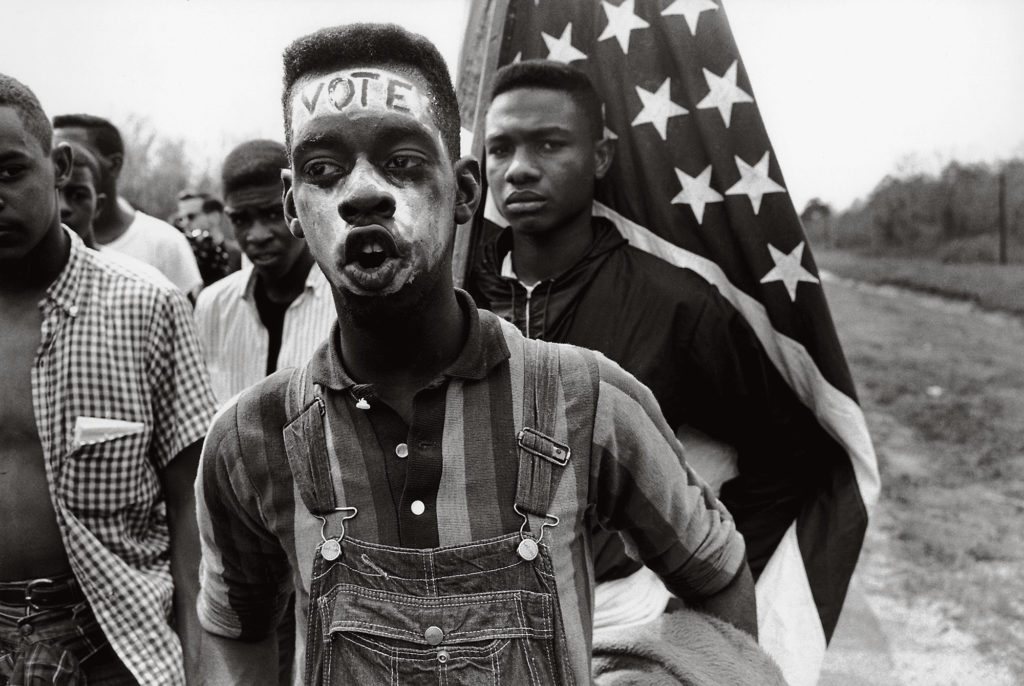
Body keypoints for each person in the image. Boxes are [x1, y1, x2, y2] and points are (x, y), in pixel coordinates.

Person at [195, 23, 756, 686]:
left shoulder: (589, 399)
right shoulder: (249, 438)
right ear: (294, 204)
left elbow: (717, 577)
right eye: (325, 171)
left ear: (464, 190)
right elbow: (236, 632)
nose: (365, 192)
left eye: (403, 161)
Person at [468, 59, 842, 628]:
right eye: (501, 149)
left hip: (613, 615)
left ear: (600, 156)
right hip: (468, 615)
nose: (519, 169)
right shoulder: (453, 297)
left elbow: (789, 456)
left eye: (549, 144)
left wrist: (701, 585)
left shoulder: (676, 305)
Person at [0, 73, 217, 684]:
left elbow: (191, 512)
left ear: (59, 165)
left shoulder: (145, 306)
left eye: (10, 171)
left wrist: (199, 666)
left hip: (113, 639)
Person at [193, 141, 334, 406]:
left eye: (271, 214)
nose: (257, 235)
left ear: (296, 205)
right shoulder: (213, 305)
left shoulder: (344, 301)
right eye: (241, 220)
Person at [52, 114, 203, 297]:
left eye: (75, 153)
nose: (64, 164)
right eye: (55, 155)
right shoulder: (41, 248)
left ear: (114, 165)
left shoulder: (163, 243)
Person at [173, 190, 238, 287]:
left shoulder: (237, 256)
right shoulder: (182, 257)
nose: (185, 223)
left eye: (191, 217)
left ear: (214, 217)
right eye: (181, 219)